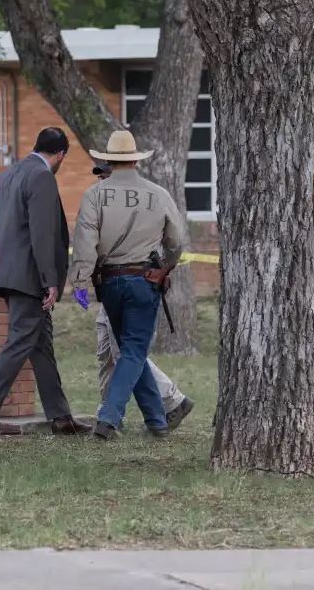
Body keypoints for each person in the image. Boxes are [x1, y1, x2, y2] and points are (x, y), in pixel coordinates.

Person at [0, 127, 91, 437]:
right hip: (30, 277)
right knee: (20, 340)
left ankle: (61, 417)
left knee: (41, 344)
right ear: (60, 155)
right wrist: (49, 280)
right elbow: (42, 233)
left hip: (8, 273)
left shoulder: (7, 176)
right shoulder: (41, 176)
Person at [71, 131, 185, 440]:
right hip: (144, 281)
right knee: (134, 350)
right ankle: (108, 419)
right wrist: (163, 267)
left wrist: (80, 283)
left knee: (129, 350)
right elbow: (176, 243)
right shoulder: (158, 194)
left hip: (108, 283)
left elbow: (84, 244)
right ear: (135, 159)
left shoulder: (95, 194)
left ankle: (157, 421)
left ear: (108, 159)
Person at [90, 163, 194, 429]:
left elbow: (174, 241)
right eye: (102, 173)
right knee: (115, 350)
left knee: (128, 351)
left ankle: (114, 413)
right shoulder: (102, 198)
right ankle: (157, 416)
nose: (103, 177)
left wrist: (163, 268)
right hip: (112, 283)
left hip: (130, 281)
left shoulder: (145, 198)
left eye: (107, 172)